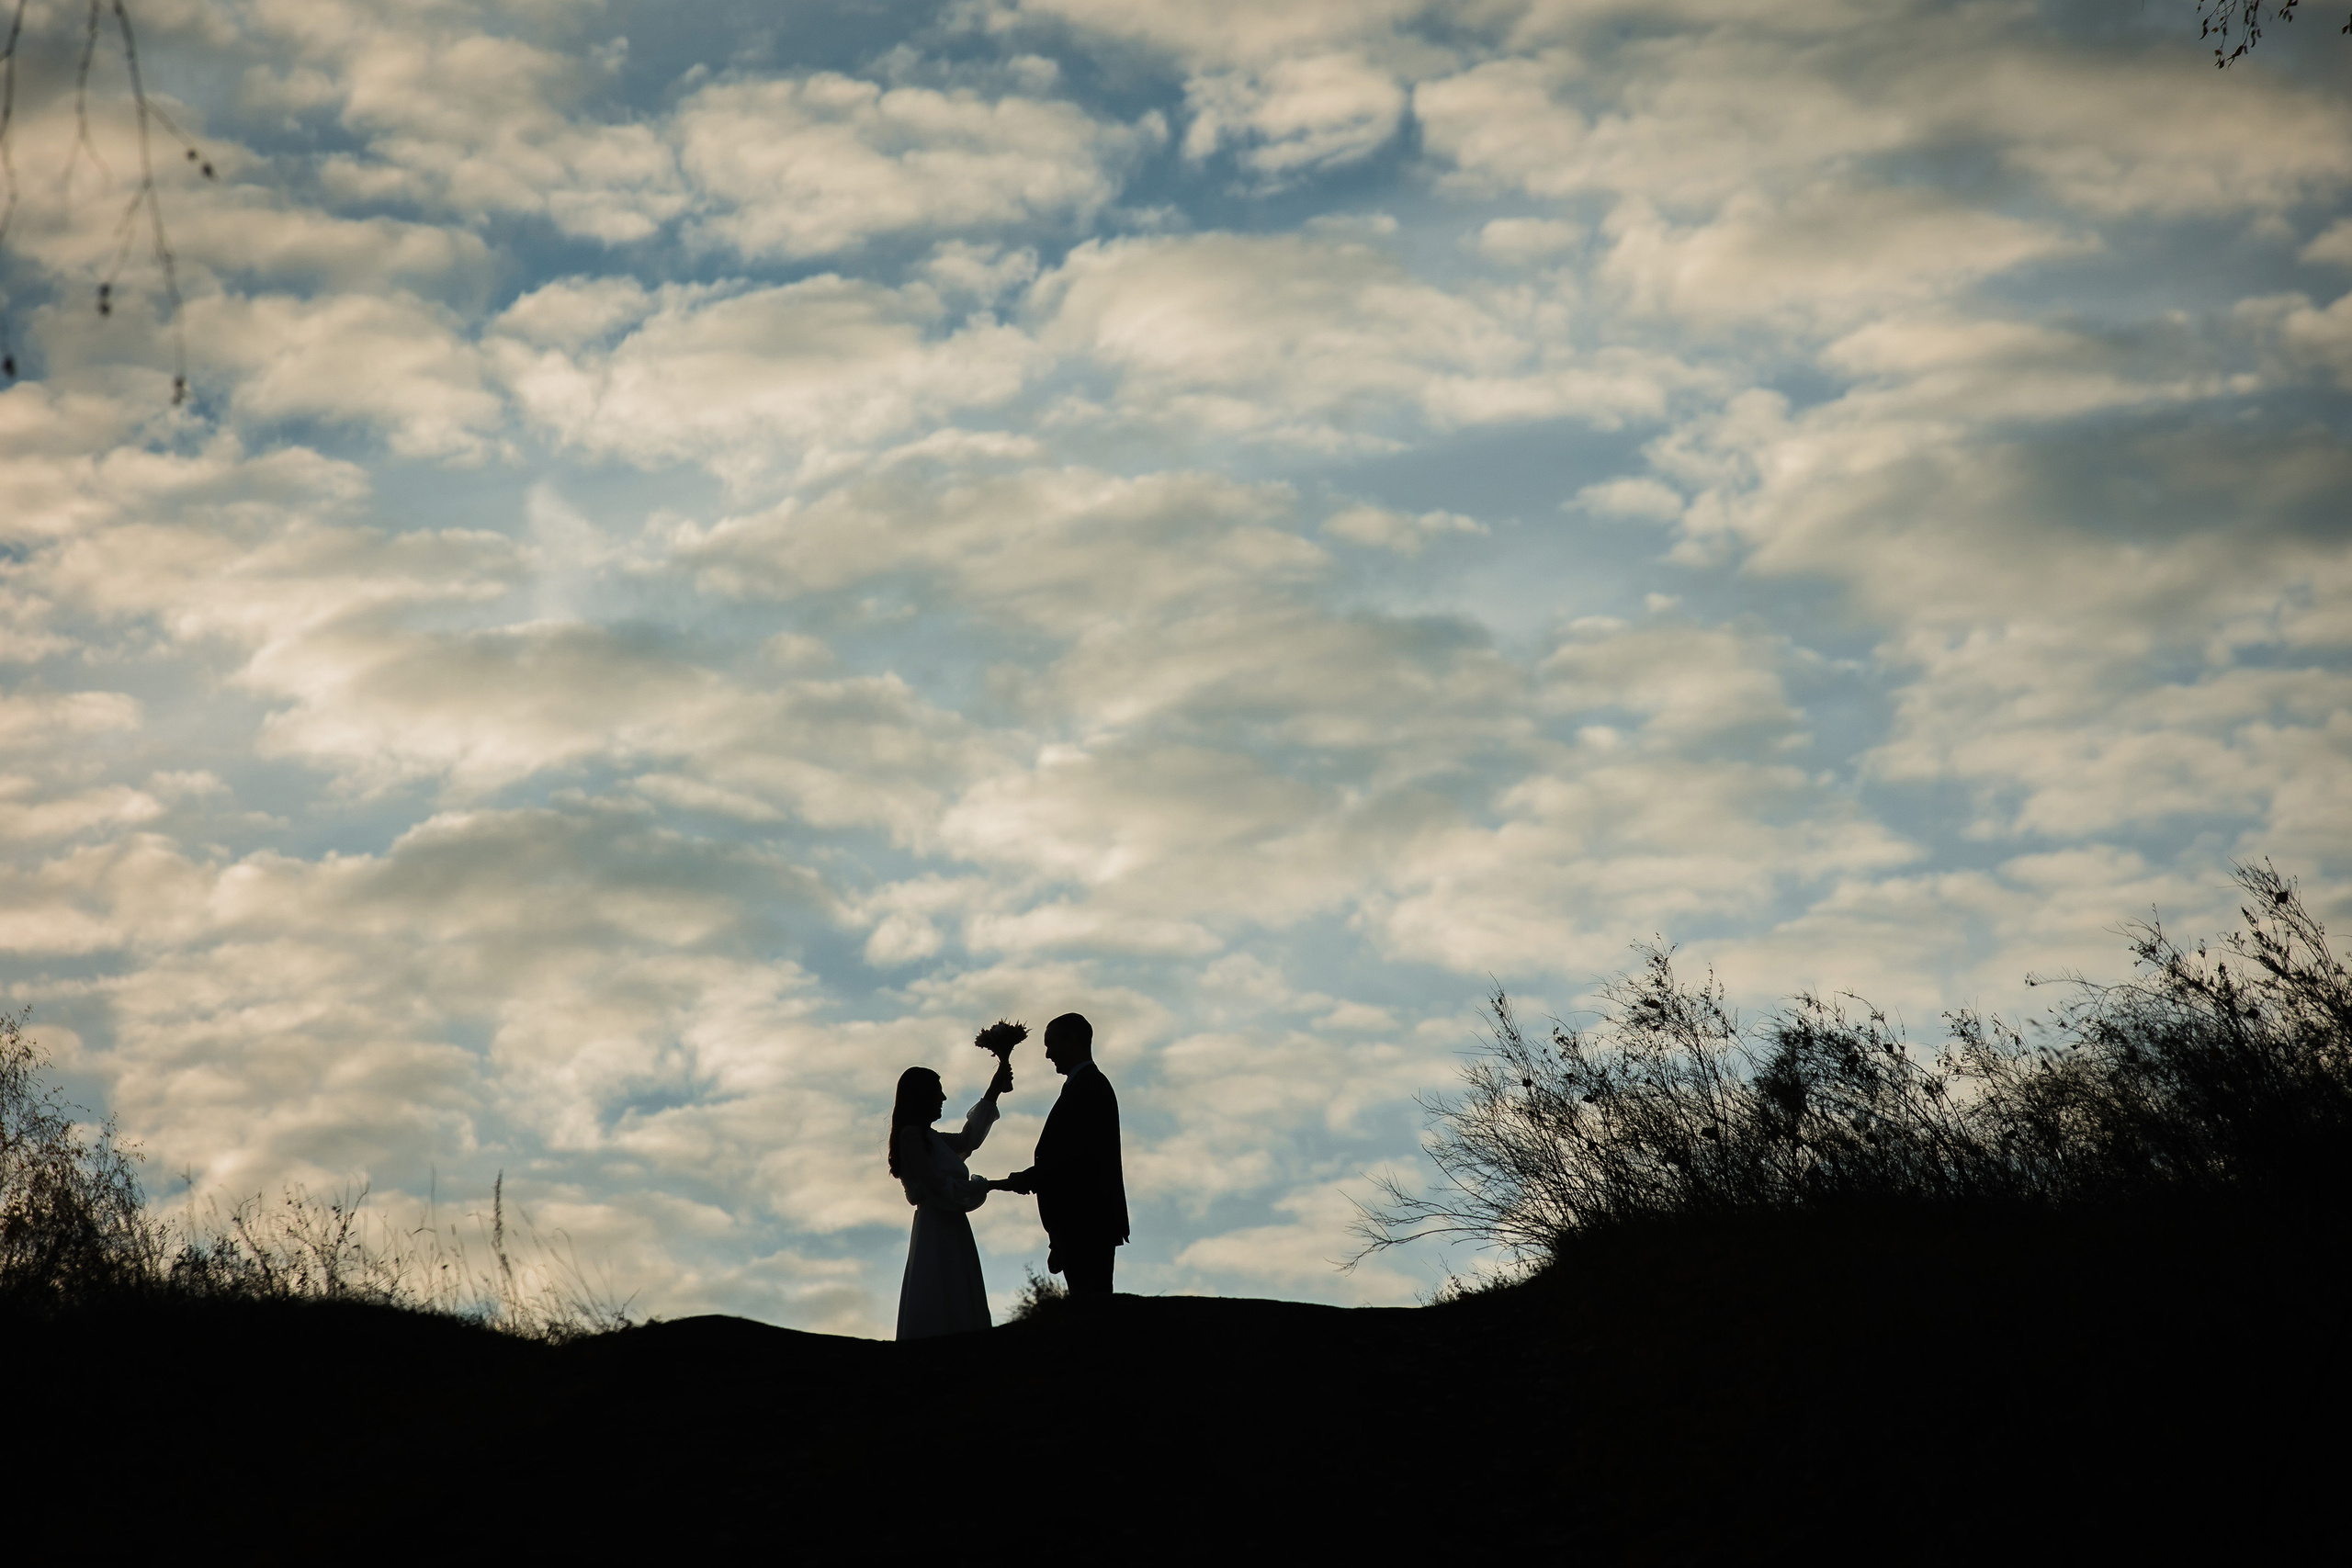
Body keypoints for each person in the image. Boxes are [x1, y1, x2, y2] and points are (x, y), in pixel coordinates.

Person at [1000, 1012, 1128, 1295]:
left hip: (1086, 1222)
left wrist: (1030, 1178)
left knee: (1090, 1305)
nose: (1047, 1054)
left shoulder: (1090, 1087)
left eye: (1051, 1044)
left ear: (1072, 1041)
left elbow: (1076, 1157)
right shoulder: (1084, 1086)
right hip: (1080, 1222)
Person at [888, 1055, 1013, 1339]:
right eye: (937, 1090)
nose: (943, 1097)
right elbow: (939, 1187)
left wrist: (993, 1090)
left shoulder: (928, 1137)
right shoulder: (912, 1137)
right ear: (922, 1096)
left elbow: (968, 1140)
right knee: (943, 1291)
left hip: (946, 1223)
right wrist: (991, 1185)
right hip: (937, 1225)